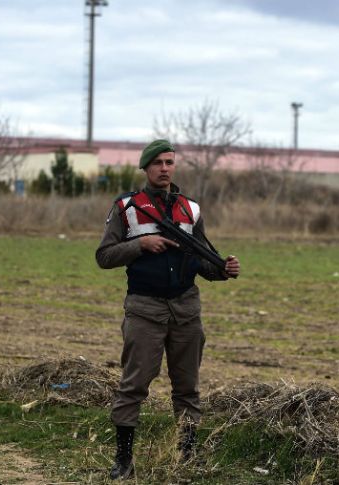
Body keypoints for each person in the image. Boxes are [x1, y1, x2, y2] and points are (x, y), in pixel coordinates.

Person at [95, 139, 241, 480]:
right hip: (145, 310)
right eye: (158, 162)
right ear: (146, 168)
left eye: (170, 162)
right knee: (133, 386)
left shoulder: (191, 209)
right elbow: (103, 257)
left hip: (186, 311)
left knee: (187, 387)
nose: (165, 168)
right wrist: (140, 244)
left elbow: (203, 262)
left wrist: (223, 270)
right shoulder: (127, 207)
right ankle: (123, 461)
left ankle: (187, 456)